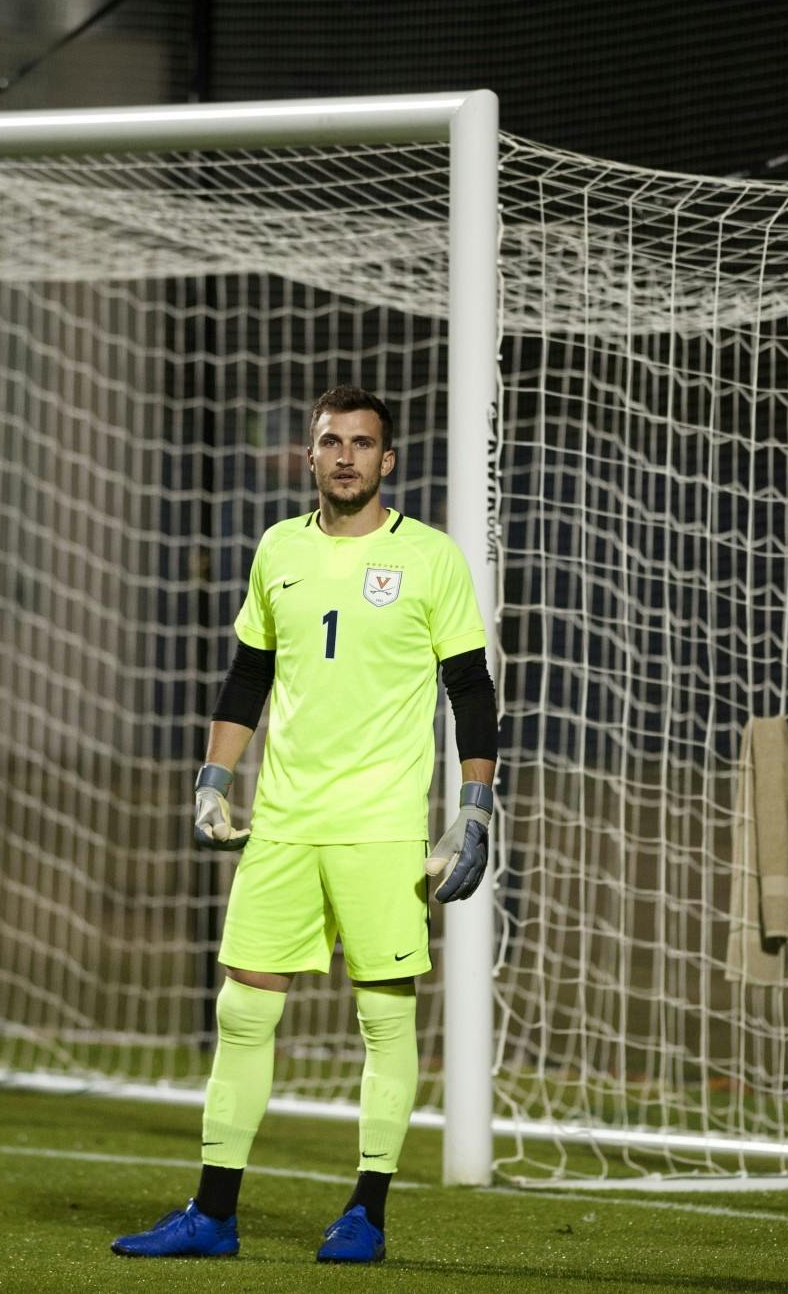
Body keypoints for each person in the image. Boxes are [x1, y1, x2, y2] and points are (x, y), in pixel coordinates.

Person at [111, 385, 497, 1264]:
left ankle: (366, 1213)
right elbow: (248, 673)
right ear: (310, 454)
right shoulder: (278, 547)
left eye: (365, 443)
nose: (349, 456)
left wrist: (473, 808)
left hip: (382, 831)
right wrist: (215, 775)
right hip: (283, 824)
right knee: (242, 1013)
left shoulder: (431, 558)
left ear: (387, 461)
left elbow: (470, 689)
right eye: (333, 442)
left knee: (384, 1023)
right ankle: (212, 1215)